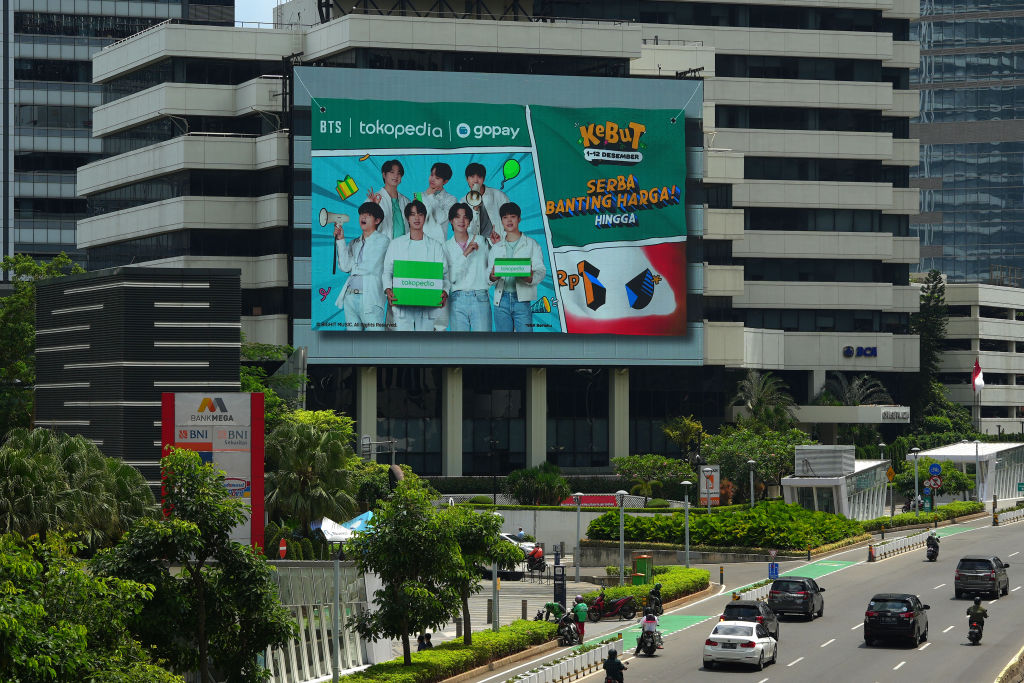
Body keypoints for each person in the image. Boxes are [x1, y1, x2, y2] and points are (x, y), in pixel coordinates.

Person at [382, 200, 450, 331]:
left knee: (425, 345)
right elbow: (387, 272)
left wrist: (445, 291)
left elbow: (445, 275)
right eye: (412, 214)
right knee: (403, 345)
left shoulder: (436, 246)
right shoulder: (396, 244)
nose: (417, 218)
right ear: (407, 218)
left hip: (427, 306)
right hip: (402, 305)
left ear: (425, 217)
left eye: (420, 214)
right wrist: (388, 290)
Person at [487, 202, 547, 332]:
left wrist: (530, 278)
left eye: (513, 216)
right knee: (504, 345)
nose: (509, 220)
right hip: (501, 300)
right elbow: (488, 277)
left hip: (522, 301)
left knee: (526, 344)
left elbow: (541, 270)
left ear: (519, 219)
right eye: (505, 217)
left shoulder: (532, 244)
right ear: (501, 221)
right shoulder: (496, 248)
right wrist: (492, 276)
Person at [334, 202, 389, 330]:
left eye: (368, 215)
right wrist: (341, 240)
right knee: (353, 343)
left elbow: (369, 267)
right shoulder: (355, 242)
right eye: (362, 214)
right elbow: (345, 267)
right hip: (350, 297)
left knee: (375, 342)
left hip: (370, 298)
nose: (363, 217)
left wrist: (354, 267)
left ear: (377, 220)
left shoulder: (383, 241)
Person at [444, 202, 496, 331]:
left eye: (465, 217)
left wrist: (497, 246)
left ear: (470, 220)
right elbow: (450, 278)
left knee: (483, 347)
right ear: (451, 220)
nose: (461, 220)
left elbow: (494, 269)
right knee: (460, 347)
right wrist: (466, 253)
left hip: (480, 297)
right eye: (457, 217)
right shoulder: (445, 247)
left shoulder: (482, 241)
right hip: (456, 300)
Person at [461, 162, 509, 242]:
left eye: (479, 177)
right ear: (467, 179)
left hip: (499, 241)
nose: (476, 181)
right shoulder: (463, 202)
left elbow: (510, 217)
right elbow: (465, 230)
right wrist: (475, 210)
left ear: (483, 178)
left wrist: (504, 238)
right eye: (472, 177)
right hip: (477, 245)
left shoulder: (498, 195)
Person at [368, 159, 409, 239]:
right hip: (383, 248)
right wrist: (373, 206)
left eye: (399, 173)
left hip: (403, 248)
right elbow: (367, 228)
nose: (396, 176)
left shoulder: (406, 202)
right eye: (392, 172)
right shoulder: (372, 200)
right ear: (384, 175)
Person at [420, 162, 457, 244]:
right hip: (420, 241)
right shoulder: (419, 196)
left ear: (445, 181)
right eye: (431, 175)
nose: (432, 179)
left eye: (437, 178)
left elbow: (441, 218)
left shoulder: (451, 199)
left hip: (439, 243)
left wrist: (430, 196)